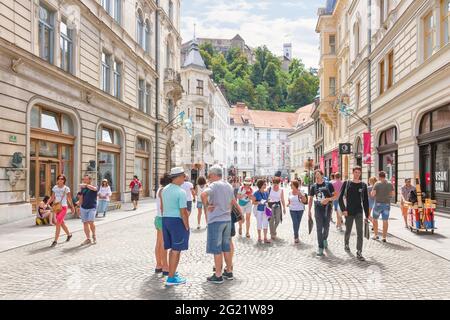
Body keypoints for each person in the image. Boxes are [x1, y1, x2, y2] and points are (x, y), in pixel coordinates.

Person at [201, 166, 240, 284]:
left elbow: (203, 194)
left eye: (209, 175)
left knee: (217, 249)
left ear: (213, 174)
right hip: (227, 220)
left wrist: (207, 205)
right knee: (226, 248)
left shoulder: (213, 185)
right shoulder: (228, 185)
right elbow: (233, 202)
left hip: (216, 221)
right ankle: (229, 271)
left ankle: (218, 275)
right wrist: (240, 212)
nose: (209, 177)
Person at [162, 167, 190, 286]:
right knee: (176, 250)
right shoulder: (181, 192)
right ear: (178, 177)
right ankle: (171, 278)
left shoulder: (165, 189)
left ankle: (171, 273)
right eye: (183, 176)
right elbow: (183, 212)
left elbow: (163, 207)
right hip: (176, 221)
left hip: (166, 220)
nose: (185, 178)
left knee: (173, 249)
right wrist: (187, 226)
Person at [338, 167, 370, 261]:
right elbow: (340, 198)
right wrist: (344, 210)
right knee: (348, 230)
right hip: (349, 211)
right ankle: (346, 243)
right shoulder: (347, 183)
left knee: (360, 232)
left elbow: (365, 201)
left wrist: (367, 214)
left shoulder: (363, 185)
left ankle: (359, 252)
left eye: (359, 173)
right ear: (353, 172)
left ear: (360, 173)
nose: (357, 174)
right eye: (355, 172)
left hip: (359, 211)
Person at [307, 170, 336, 256]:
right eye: (315, 176)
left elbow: (335, 196)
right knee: (319, 227)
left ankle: (324, 239)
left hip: (327, 208)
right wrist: (309, 211)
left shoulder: (329, 185)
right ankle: (320, 247)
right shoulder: (313, 186)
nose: (317, 177)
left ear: (322, 176)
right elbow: (311, 199)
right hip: (318, 208)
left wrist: (328, 199)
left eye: (318, 175)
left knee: (326, 226)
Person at [49, 174, 75, 247]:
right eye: (59, 178)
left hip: (63, 207)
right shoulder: (55, 187)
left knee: (58, 222)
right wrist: (47, 204)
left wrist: (72, 207)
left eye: (62, 179)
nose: (60, 180)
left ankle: (55, 240)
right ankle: (69, 235)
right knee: (62, 223)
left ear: (64, 180)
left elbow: (69, 199)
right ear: (57, 180)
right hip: (57, 208)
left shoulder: (66, 188)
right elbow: (52, 197)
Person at [371, 171, 395, 242]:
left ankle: (376, 235)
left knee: (375, 219)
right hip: (387, 204)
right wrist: (387, 197)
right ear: (385, 176)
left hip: (378, 204)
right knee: (385, 220)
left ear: (379, 176)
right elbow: (392, 194)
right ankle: (384, 237)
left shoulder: (377, 184)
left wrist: (372, 193)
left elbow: (373, 194)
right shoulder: (390, 184)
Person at [155, 173, 170, 276]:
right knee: (164, 244)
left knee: (159, 243)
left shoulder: (160, 189)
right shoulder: (164, 190)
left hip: (159, 218)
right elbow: (163, 207)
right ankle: (165, 266)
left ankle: (158, 265)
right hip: (163, 218)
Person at [79, 175, 98, 245]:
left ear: (90, 180)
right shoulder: (83, 188)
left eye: (86, 179)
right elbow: (81, 197)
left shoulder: (94, 186)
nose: (84, 181)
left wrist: (85, 185)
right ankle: (88, 239)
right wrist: (79, 206)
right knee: (85, 223)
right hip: (83, 207)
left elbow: (94, 189)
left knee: (91, 222)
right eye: (84, 179)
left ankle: (94, 235)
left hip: (92, 207)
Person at [287, 180, 307, 244]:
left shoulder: (301, 191)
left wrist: (300, 194)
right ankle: (296, 237)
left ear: (295, 185)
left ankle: (296, 235)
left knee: (298, 223)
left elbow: (304, 200)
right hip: (292, 210)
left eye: (291, 185)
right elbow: (289, 200)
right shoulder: (290, 192)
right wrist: (288, 204)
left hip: (300, 209)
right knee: (295, 222)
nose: (290, 186)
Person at [267, 176, 286, 241]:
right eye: (274, 183)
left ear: (279, 183)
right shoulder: (269, 189)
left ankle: (273, 231)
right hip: (269, 205)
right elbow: (266, 198)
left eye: (277, 183)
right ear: (272, 183)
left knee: (278, 220)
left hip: (277, 205)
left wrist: (284, 208)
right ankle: (272, 234)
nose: (275, 185)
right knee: (271, 220)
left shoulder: (281, 190)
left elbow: (282, 199)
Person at [253, 179, 270, 244]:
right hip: (259, 210)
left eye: (265, 184)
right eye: (264, 184)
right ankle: (259, 237)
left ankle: (265, 238)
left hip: (265, 210)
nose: (265, 185)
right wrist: (260, 202)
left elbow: (267, 200)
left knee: (265, 223)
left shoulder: (266, 193)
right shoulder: (256, 193)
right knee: (259, 223)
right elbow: (253, 202)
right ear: (260, 185)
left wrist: (268, 201)